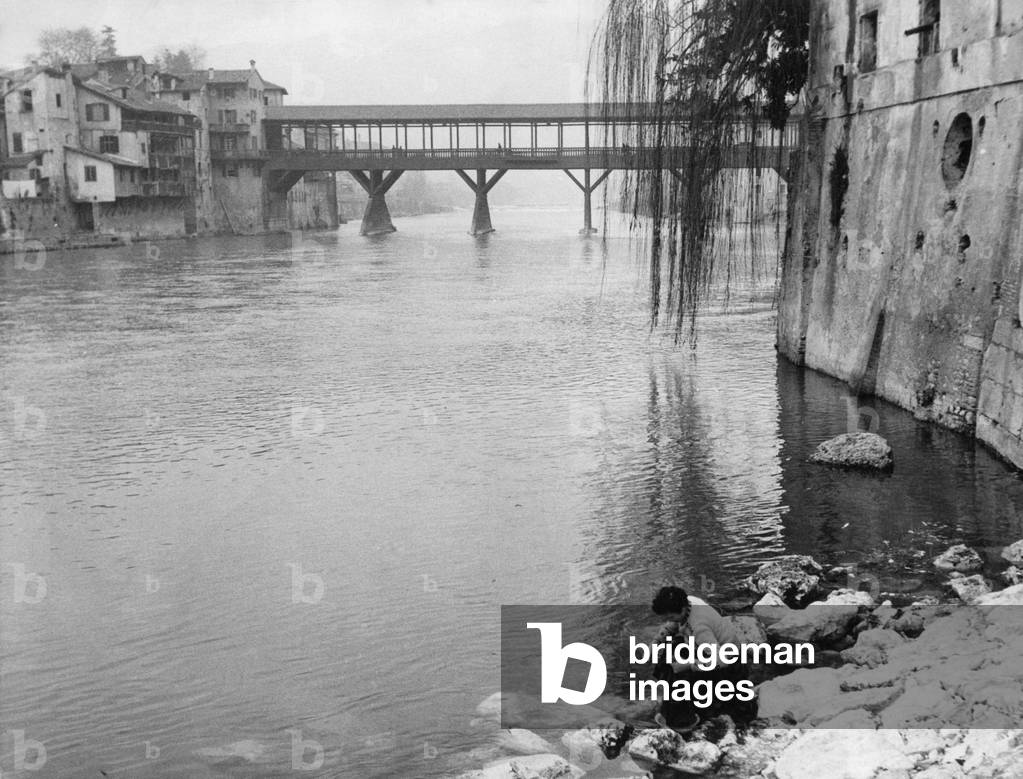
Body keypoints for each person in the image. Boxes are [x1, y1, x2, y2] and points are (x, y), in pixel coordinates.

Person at [650, 585, 755, 731]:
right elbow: (673, 624)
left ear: (682, 609)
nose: (669, 620)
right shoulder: (690, 602)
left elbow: (721, 661)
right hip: (703, 650)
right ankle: (671, 706)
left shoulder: (700, 628)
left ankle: (684, 721)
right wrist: (657, 640)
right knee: (667, 654)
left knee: (680, 675)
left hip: (730, 664)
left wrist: (688, 666)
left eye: (671, 616)